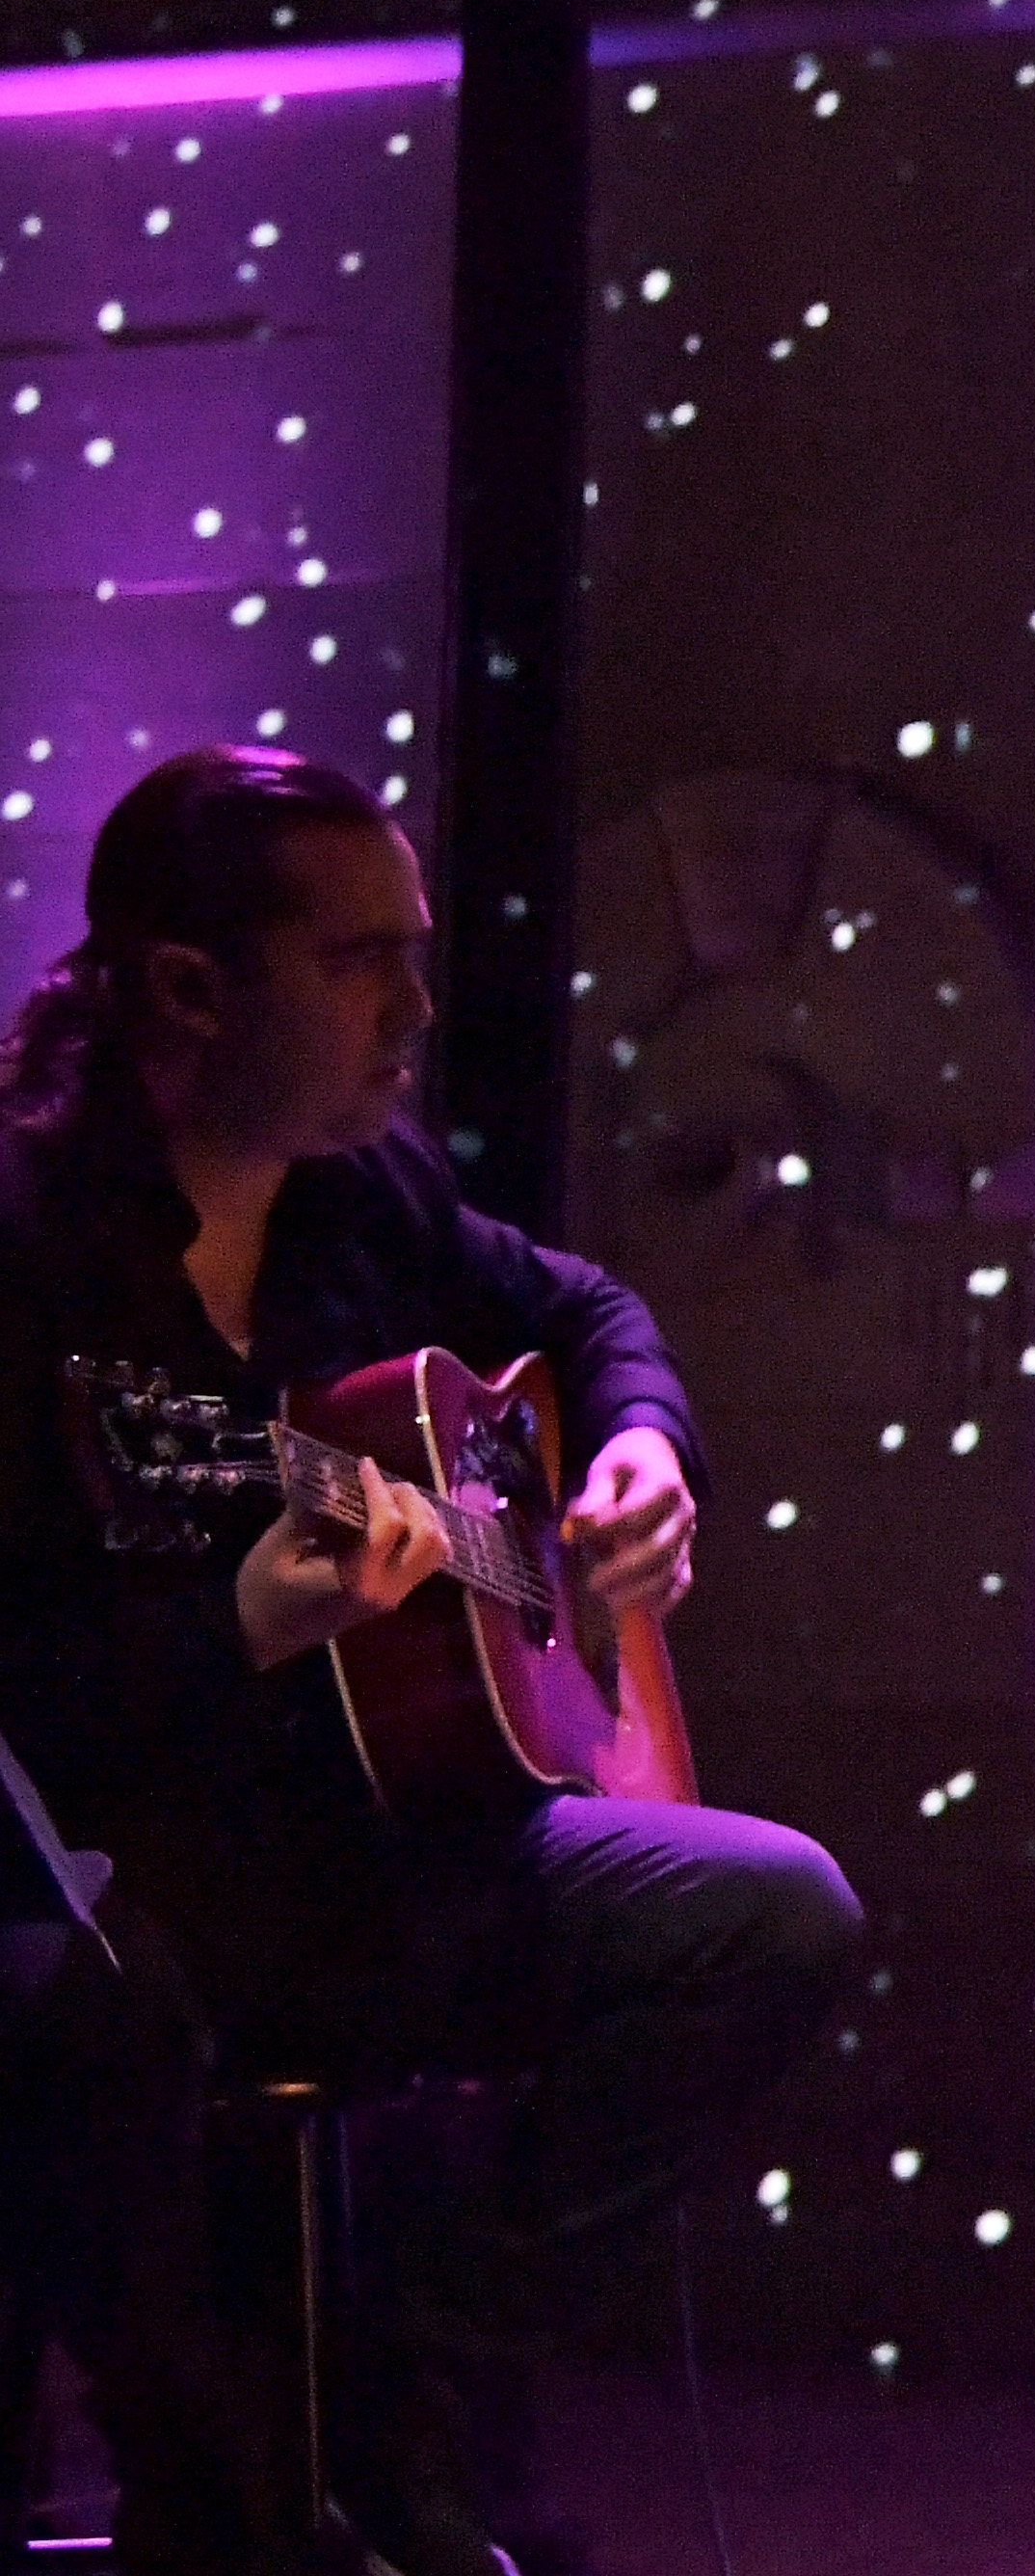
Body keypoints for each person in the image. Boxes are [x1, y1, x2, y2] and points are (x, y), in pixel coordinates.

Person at [0, 746, 861, 2576]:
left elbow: (587, 1311)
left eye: (417, 949)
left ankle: (423, 2375)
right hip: (140, 1898)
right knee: (97, 2048)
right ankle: (245, 2478)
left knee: (775, 1910)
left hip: (396, 1856)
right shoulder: (29, 1254)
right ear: (187, 989)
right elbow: (31, 1697)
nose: (415, 1007)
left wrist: (642, 1454)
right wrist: (241, 1622)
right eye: (358, 960)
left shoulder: (362, 1189)